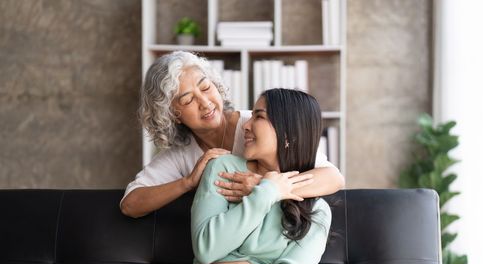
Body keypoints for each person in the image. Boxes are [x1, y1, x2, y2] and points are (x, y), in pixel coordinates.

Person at [149, 88, 332, 264]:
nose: (246, 125)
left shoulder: (318, 210)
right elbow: (208, 249)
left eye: (258, 116)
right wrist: (265, 195)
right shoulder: (223, 168)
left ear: (288, 132)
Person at [120, 51, 344, 218]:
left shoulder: (256, 124)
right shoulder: (181, 153)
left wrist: (265, 188)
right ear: (172, 114)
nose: (205, 103)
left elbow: (333, 178)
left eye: (206, 88)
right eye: (188, 100)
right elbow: (130, 205)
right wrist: (187, 182)